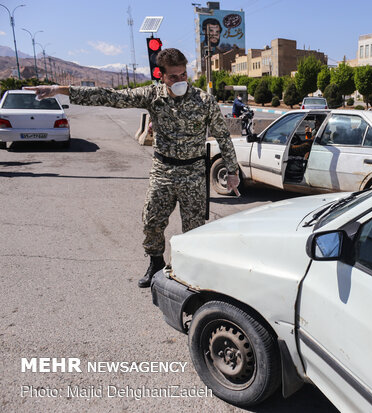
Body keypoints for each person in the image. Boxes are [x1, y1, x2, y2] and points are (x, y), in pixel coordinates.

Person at [25, 48, 240, 289]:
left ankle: (191, 272)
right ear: (161, 76)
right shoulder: (152, 95)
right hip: (163, 170)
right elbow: (109, 96)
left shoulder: (204, 100)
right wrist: (59, 90)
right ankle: (156, 264)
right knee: (151, 221)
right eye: (174, 77)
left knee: (194, 228)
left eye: (183, 75)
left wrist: (232, 171)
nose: (180, 81)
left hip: (193, 173)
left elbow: (223, 136)